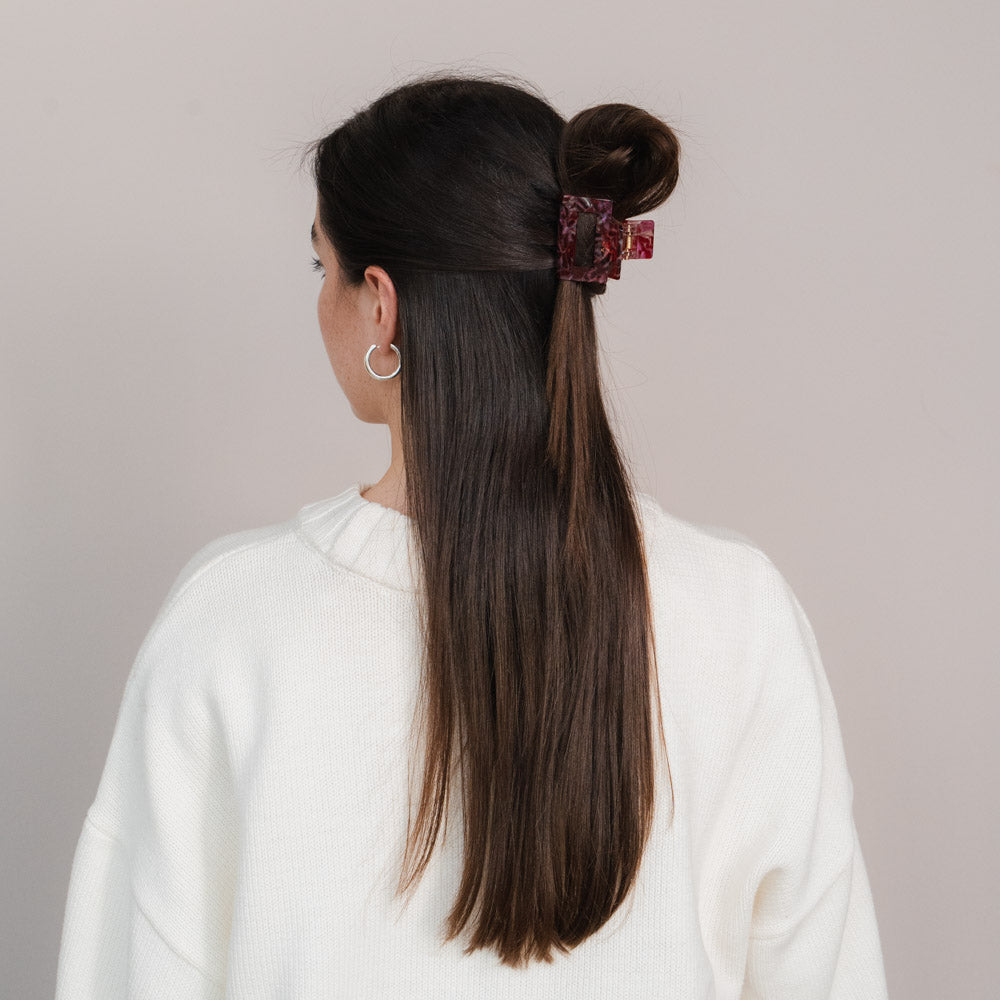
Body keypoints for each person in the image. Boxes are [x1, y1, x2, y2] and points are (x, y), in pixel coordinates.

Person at [54, 71, 889, 998]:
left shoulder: (231, 620)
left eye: (322, 268)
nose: (321, 297)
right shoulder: (739, 611)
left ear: (381, 304)